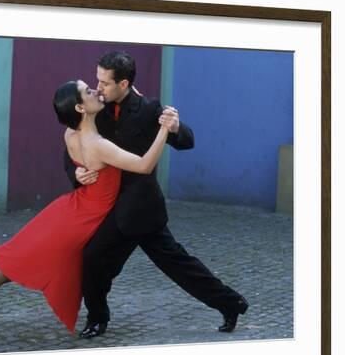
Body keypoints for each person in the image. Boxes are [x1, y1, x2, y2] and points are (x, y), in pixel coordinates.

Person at [0, 79, 170, 338]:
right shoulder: (98, 144)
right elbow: (143, 165)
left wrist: (129, 97)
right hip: (80, 219)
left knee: (3, 254)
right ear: (79, 108)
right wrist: (163, 129)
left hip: (67, 209)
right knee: (8, 266)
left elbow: (84, 152)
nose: (96, 91)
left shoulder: (70, 134)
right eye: (88, 91)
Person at [63, 51, 249, 339]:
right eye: (96, 80)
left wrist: (175, 127)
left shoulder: (149, 109)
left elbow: (187, 141)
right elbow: (73, 147)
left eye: (105, 83)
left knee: (179, 266)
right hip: (111, 210)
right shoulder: (94, 109)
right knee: (94, 260)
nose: (98, 87)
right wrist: (75, 174)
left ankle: (231, 303)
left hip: (142, 209)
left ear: (123, 84)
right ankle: (97, 319)